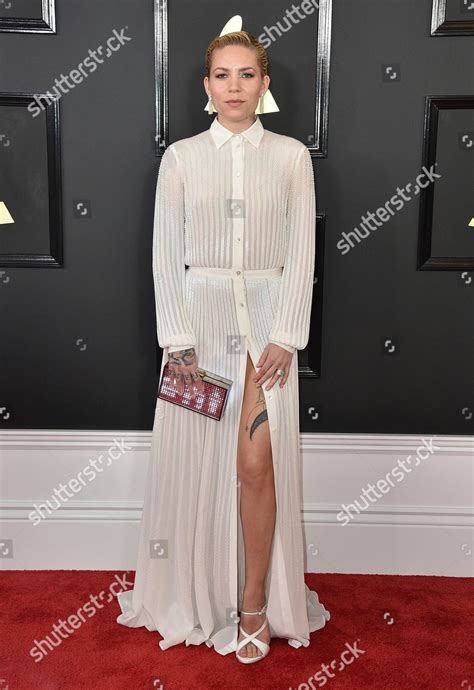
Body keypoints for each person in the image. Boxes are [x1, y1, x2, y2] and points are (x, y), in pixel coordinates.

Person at [116, 26, 330, 665]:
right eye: (221, 75)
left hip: (267, 334)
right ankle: (198, 597)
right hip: (198, 330)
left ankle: (256, 604)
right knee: (197, 467)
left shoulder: (291, 157)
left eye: (246, 75)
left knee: (256, 466)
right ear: (206, 87)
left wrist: (289, 335)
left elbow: (302, 255)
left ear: (265, 86)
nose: (234, 86)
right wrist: (177, 340)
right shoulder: (180, 159)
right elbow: (164, 255)